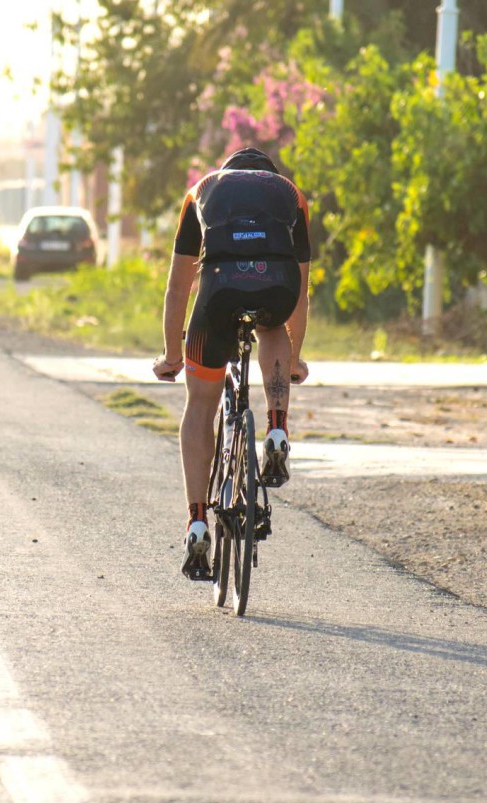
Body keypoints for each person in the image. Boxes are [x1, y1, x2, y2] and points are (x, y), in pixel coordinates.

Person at [152, 147, 311, 581]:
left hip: (218, 294)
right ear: (269, 177)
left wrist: (171, 355)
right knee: (274, 325)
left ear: (230, 173)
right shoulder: (290, 193)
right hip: (276, 286)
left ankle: (198, 521)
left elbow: (178, 289)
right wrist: (294, 359)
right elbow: (301, 292)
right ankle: (277, 425)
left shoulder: (202, 190)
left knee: (200, 404)